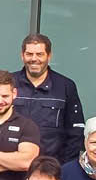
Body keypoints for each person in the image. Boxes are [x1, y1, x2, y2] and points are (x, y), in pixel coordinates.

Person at [12, 34, 85, 163]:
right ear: (22, 56)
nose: (34, 59)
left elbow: (76, 132)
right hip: (12, 164)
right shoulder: (9, 83)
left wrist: (63, 167)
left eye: (39, 54)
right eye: (29, 54)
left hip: (50, 167)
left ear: (49, 56)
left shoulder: (65, 86)